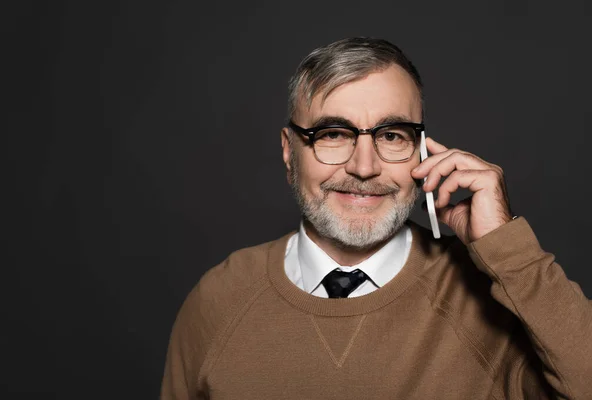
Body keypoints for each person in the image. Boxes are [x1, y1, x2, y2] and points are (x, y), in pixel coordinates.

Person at [160, 37, 592, 399]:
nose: (364, 167)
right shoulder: (219, 300)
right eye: (332, 134)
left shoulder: (491, 299)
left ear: (423, 151)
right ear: (289, 151)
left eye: (391, 135)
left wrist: (509, 250)